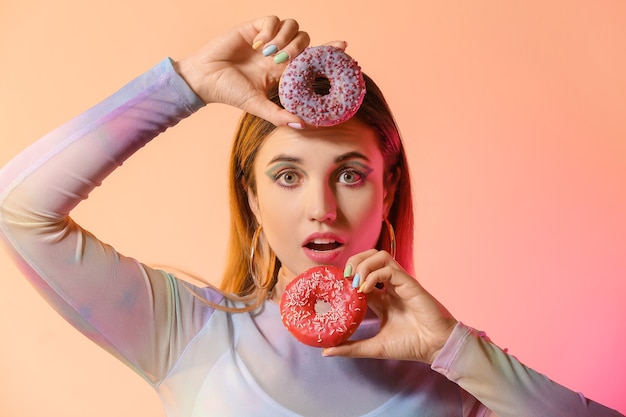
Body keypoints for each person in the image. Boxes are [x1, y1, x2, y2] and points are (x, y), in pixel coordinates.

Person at [0, 15, 622, 417]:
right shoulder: (189, 333)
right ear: (251, 196)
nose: (321, 210)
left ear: (388, 189)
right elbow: (18, 209)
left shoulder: (450, 374)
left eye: (350, 175)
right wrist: (186, 84)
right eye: (288, 176)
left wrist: (456, 350)